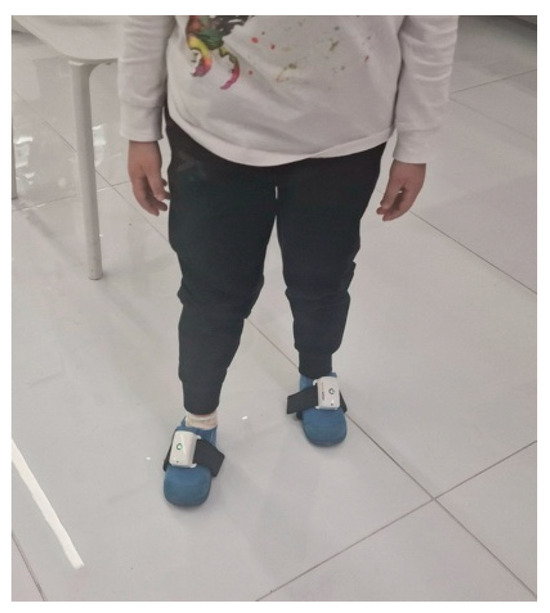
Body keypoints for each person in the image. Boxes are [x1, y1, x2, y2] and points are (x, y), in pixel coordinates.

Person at [118, 15, 458, 507]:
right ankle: (198, 417)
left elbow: (431, 24)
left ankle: (318, 373)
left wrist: (417, 143)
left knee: (323, 276)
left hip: (344, 133)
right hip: (214, 129)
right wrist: (138, 127)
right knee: (212, 293)